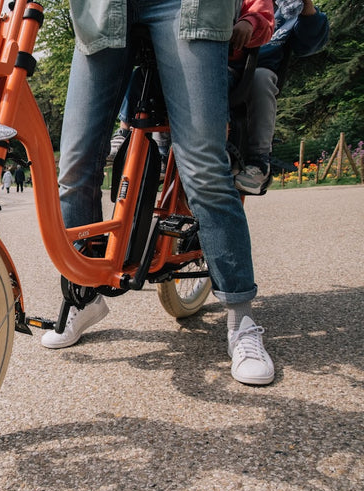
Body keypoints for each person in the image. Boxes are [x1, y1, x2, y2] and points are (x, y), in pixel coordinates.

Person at [41, 0, 275, 386]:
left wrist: (251, 19)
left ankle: (242, 322)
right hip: (104, 6)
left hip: (186, 5)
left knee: (203, 168)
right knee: (74, 165)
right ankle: (85, 296)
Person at [107, 0, 275, 163]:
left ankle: (210, 153)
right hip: (175, 65)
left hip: (221, 68)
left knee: (210, 92)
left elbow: (263, 17)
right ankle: (125, 131)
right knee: (141, 76)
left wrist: (249, 22)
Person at [233, 0, 329, 194]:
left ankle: (259, 161)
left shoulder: (287, 11)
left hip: (255, 72)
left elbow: (309, 44)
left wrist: (306, 7)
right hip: (220, 64)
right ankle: (162, 150)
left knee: (261, 78)